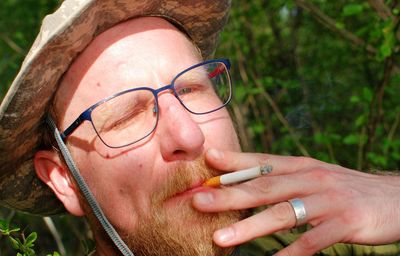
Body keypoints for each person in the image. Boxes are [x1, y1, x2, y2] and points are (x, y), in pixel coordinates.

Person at [0, 1, 399, 256]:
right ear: (63, 178)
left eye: (191, 89)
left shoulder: (335, 241)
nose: (189, 137)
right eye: (125, 116)